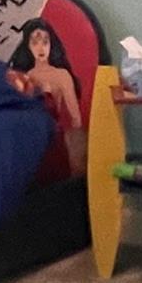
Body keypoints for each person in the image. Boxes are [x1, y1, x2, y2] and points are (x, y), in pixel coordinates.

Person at [7, 19, 86, 170]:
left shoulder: (61, 75)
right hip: (28, 144)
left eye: (45, 42)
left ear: (51, 44)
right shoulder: (24, 76)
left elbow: (76, 118)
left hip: (53, 141)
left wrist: (78, 155)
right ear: (28, 46)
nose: (41, 48)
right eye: (35, 43)